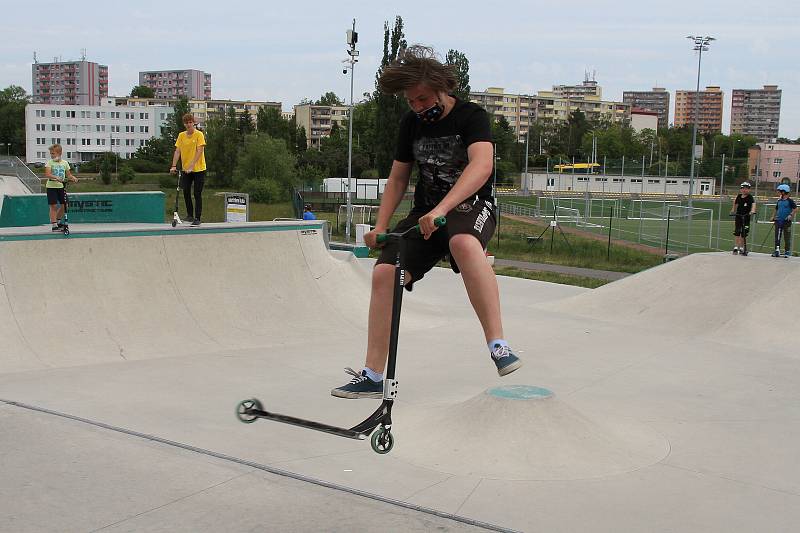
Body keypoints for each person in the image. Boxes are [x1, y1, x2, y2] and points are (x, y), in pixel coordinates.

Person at [331, 45, 521, 399]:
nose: (418, 107)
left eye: (422, 99)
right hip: (426, 215)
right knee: (384, 273)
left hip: (471, 207)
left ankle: (498, 344)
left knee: (463, 244)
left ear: (441, 88)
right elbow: (399, 177)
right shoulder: (410, 124)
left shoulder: (471, 116)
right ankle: (372, 374)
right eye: (411, 102)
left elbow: (481, 166)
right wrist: (380, 225)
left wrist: (443, 209)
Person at [170, 114, 206, 226]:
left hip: (199, 169)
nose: (189, 125)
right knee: (185, 191)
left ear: (194, 123)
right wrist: (174, 166)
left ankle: (197, 218)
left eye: (190, 122)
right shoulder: (181, 136)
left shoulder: (199, 135)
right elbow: (177, 151)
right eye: (187, 123)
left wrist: (192, 166)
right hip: (186, 170)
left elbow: (199, 151)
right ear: (184, 124)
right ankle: (190, 215)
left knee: (197, 193)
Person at [43, 144, 77, 231]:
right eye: (51, 153)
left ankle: (58, 221)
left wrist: (73, 178)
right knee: (53, 206)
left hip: (61, 187)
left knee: (65, 205)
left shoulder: (65, 163)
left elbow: (68, 175)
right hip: (51, 187)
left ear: (60, 153)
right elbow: (47, 174)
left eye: (53, 153)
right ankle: (54, 225)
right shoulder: (49, 162)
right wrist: (55, 177)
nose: (52, 155)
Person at [771, 184, 797, 257]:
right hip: (778, 221)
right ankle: (777, 250)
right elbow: (776, 209)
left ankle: (787, 251)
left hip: (786, 222)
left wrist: (790, 215)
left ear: (783, 192)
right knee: (777, 237)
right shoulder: (779, 201)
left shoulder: (790, 201)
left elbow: (795, 209)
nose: (778, 193)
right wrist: (773, 216)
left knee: (787, 237)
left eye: (779, 191)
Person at [730, 182, 756, 255]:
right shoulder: (739, 196)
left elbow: (753, 204)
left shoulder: (750, 197)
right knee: (737, 232)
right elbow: (735, 203)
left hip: (746, 217)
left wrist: (752, 211)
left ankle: (741, 248)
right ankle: (735, 247)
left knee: (744, 233)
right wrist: (733, 210)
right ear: (741, 189)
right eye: (743, 188)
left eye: (746, 189)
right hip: (738, 217)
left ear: (749, 190)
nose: (744, 190)